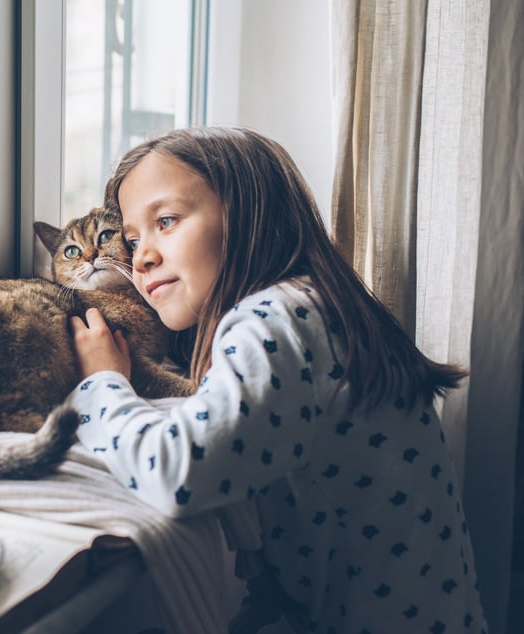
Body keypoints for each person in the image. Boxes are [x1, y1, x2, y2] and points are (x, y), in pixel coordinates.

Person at [67, 127, 488, 633]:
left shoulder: (273, 320)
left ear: (248, 215)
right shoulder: (316, 304)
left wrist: (104, 382)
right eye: (132, 239)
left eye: (167, 221)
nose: (141, 257)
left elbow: (177, 472)